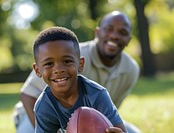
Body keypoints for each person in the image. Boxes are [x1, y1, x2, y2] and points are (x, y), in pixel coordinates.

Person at [13, 11, 141, 133]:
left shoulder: (129, 70)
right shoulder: (62, 50)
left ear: (81, 65)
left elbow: (110, 118)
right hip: (32, 116)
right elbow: (27, 95)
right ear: (97, 32)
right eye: (109, 29)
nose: (114, 36)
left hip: (87, 119)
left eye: (122, 32)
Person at [32, 26, 127, 132]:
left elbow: (120, 130)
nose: (58, 70)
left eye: (67, 61)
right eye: (49, 64)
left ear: (80, 64)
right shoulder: (44, 106)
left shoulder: (97, 95)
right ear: (37, 70)